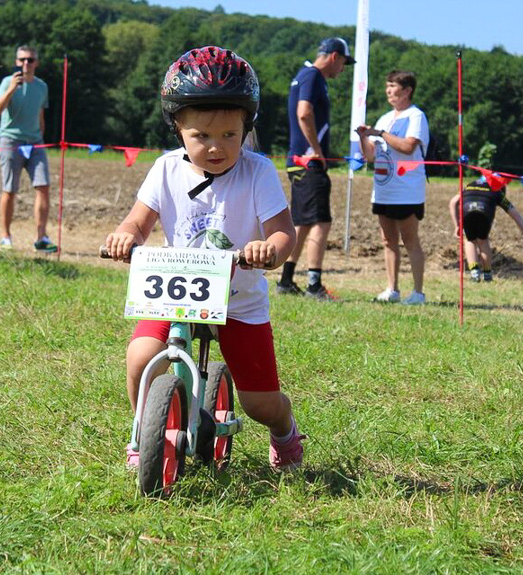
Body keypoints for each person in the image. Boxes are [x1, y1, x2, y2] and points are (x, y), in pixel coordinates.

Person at [105, 46, 305, 471]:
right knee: (141, 357)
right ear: (178, 128)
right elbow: (138, 222)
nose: (216, 147)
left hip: (238, 301)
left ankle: (284, 428)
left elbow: (285, 232)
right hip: (176, 291)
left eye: (230, 136)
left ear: (246, 129)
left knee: (259, 403)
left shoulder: (257, 172)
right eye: (202, 136)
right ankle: (143, 430)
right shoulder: (165, 169)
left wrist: (270, 249)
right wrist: (125, 236)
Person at [276, 37, 355, 301]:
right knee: (320, 221)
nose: (343, 69)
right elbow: (304, 113)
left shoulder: (304, 74)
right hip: (308, 162)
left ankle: (286, 280)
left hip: (297, 161)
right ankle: (313, 284)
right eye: (344, 62)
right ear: (334, 56)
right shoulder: (312, 76)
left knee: (303, 222)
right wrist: (317, 151)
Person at [356, 70, 429, 305]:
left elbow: (408, 147)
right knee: (388, 241)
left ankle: (418, 292)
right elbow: (370, 156)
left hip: (407, 191)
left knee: (410, 241)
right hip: (383, 190)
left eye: (393, 86)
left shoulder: (416, 116)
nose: (388, 90)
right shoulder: (385, 118)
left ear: (406, 90)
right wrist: (363, 137)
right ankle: (392, 289)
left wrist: (382, 134)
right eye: (387, 86)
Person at [0, 45, 55, 253]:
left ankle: (41, 237)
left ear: (36, 62)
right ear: (16, 62)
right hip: (10, 141)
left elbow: (40, 115)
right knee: (10, 189)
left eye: (30, 60)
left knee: (43, 186)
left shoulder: (41, 86)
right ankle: (5, 236)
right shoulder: (6, 82)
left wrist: (40, 138)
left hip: (35, 142)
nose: (26, 63)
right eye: (22, 60)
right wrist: (11, 88)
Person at [448, 175, 523, 281]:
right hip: (485, 211)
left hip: (467, 212)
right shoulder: (497, 191)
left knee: (470, 240)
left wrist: (457, 225)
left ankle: (474, 273)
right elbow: (515, 215)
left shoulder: (468, 186)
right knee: (483, 241)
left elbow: (453, 202)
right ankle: (487, 273)